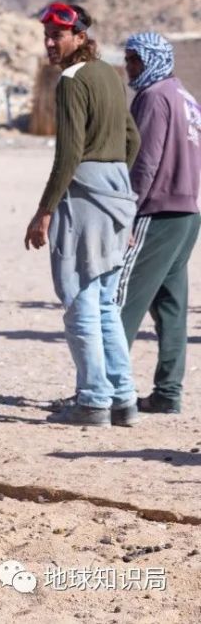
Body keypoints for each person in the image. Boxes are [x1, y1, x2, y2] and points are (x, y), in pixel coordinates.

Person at [24, 2, 141, 427]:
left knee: (80, 300)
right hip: (116, 194)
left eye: (58, 35)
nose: (51, 44)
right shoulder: (109, 75)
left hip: (85, 195)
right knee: (105, 301)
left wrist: (45, 210)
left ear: (79, 37)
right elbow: (132, 139)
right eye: (47, 36)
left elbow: (69, 153)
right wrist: (117, 187)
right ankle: (123, 398)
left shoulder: (72, 81)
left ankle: (93, 400)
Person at [117, 32, 201, 414]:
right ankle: (168, 392)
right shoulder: (184, 96)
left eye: (134, 59)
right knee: (171, 306)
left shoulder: (153, 97)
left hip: (157, 211)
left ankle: (107, 393)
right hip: (188, 213)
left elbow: (145, 161)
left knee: (122, 301)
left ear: (151, 59)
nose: (129, 67)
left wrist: (126, 213)